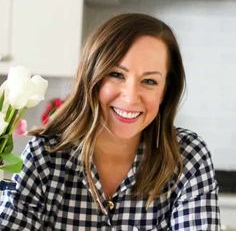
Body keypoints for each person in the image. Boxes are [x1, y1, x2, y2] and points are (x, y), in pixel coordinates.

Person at [0, 13, 220, 230]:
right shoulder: (44, 157)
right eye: (117, 74)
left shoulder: (187, 157)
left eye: (150, 81)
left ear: (165, 92)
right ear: (92, 77)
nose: (131, 96)